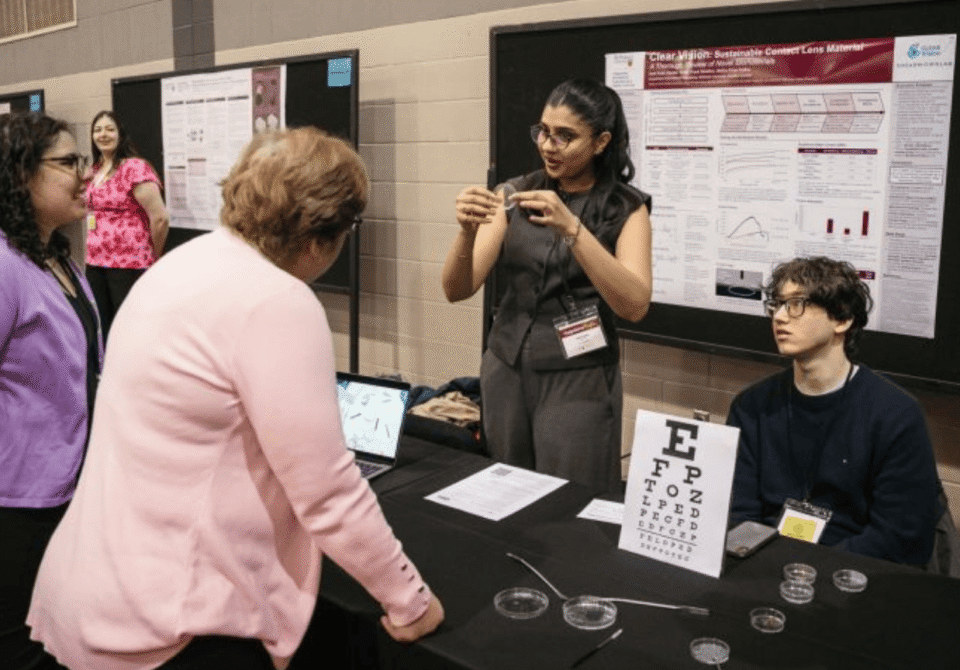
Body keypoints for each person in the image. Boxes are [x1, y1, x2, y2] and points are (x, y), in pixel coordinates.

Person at [27, 127, 444, 669]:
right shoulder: (277, 299)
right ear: (322, 237)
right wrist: (409, 600)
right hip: (171, 618)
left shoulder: (182, 262)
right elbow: (329, 491)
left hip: (94, 582)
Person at [441, 79, 653, 493]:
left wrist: (573, 229)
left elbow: (634, 305)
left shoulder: (626, 208)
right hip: (505, 365)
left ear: (601, 141)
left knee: (570, 498)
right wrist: (465, 233)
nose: (549, 145)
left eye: (565, 136)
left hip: (578, 375)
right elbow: (456, 289)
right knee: (504, 489)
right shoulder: (515, 193)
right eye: (543, 131)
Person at [726, 256, 942, 565]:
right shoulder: (752, 406)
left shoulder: (896, 415)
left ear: (842, 319)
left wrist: (812, 568)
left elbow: (899, 537)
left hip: (854, 577)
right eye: (777, 304)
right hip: (763, 565)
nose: (779, 317)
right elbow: (738, 512)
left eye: (797, 304)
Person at [0, 112, 101, 670]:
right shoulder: (5, 265)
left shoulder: (57, 255)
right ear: (20, 175)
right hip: (16, 499)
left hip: (65, 486)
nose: (84, 174)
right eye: (67, 163)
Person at [84, 109, 169, 339]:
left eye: (110, 129)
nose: (103, 134)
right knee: (101, 321)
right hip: (95, 259)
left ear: (121, 134)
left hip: (128, 261)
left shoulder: (134, 168)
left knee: (128, 326)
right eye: (98, 129)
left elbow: (160, 218)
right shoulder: (95, 169)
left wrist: (153, 254)